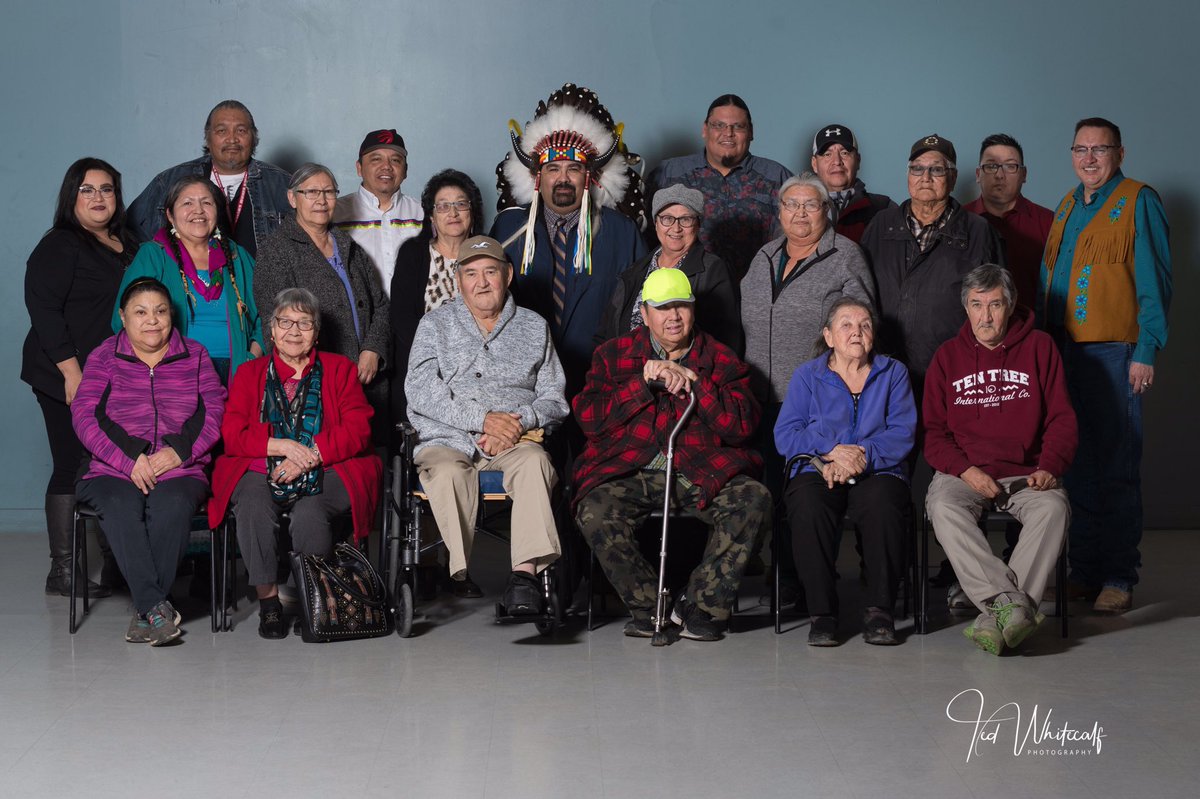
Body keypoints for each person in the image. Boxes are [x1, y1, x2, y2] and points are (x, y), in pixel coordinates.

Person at [573, 269, 769, 640]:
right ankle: (651, 608)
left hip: (699, 469)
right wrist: (641, 384)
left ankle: (699, 607)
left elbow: (741, 427)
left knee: (753, 500)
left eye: (681, 306)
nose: (673, 316)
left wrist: (695, 380)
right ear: (645, 314)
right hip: (631, 467)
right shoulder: (613, 355)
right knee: (594, 510)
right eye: (662, 308)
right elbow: (589, 420)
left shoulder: (721, 358)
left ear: (693, 311)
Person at [1038, 117, 1172, 614]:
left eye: (1100, 149)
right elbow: (1048, 283)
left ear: (1120, 153)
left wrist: (1146, 349)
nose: (1089, 158)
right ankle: (1084, 571)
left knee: (1117, 466)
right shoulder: (1068, 205)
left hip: (1116, 352)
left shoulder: (1140, 200)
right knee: (1077, 468)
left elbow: (1156, 280)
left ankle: (1118, 575)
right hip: (1064, 352)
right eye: (1081, 149)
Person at [405, 236, 568, 611]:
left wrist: (515, 423)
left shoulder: (534, 326)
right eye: (471, 273)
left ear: (507, 275)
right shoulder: (434, 325)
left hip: (514, 439)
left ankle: (524, 578)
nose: (481, 282)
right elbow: (420, 391)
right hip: (448, 439)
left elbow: (554, 398)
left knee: (536, 464)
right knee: (446, 472)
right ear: (458, 279)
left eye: (490, 272)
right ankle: (457, 571)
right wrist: (481, 422)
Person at [208, 288, 382, 639]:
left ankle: (314, 600)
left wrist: (311, 456)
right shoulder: (249, 373)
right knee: (254, 504)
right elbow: (232, 432)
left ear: (316, 333)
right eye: (285, 322)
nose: (294, 331)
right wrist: (280, 445)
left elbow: (357, 429)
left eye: (304, 323)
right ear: (271, 331)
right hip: (262, 464)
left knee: (309, 511)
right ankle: (269, 604)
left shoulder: (339, 370)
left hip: (330, 465)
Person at [925, 265, 1077, 655]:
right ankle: (1011, 608)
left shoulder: (1040, 347)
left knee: (1055, 508)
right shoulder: (946, 357)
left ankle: (997, 617)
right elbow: (934, 434)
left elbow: (1061, 419)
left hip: (1027, 474)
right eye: (977, 305)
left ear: (1009, 306)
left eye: (994, 304)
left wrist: (1049, 466)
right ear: (966, 308)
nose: (986, 316)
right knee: (941, 505)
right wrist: (965, 470)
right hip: (965, 472)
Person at [73, 277, 226, 646]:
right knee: (120, 503)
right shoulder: (103, 356)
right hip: (111, 469)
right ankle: (155, 606)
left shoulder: (197, 355)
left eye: (160, 311)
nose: (152, 320)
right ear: (123, 318)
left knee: (172, 504)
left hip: (180, 467)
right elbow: (84, 415)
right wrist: (130, 460)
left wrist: (178, 453)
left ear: (171, 315)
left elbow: (215, 411)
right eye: (140, 312)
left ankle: (147, 612)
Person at [23, 157, 140, 598]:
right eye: (87, 190)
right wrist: (72, 373)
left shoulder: (127, 242)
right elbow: (45, 312)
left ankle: (116, 567)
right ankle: (63, 572)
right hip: (63, 373)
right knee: (72, 464)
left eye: (106, 189)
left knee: (114, 464)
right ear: (71, 196)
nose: (97, 198)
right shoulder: (60, 245)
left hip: (115, 376)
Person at [775, 297, 916, 646]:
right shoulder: (808, 375)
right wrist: (830, 451)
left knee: (883, 504)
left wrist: (862, 456)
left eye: (865, 325)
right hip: (819, 466)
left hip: (877, 467)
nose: (857, 332)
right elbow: (786, 433)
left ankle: (879, 611)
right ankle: (822, 614)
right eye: (847, 325)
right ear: (829, 336)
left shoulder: (893, 373)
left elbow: (902, 432)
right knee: (808, 505)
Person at [491, 87, 647, 400]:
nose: (563, 178)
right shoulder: (508, 228)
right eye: (553, 168)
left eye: (573, 168)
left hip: (601, 382)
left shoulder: (622, 232)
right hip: (522, 383)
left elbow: (640, 310)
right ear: (538, 177)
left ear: (588, 177)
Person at [254, 163, 391, 443]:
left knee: (376, 467)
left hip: (368, 378)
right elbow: (279, 327)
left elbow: (380, 305)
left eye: (329, 192)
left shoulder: (347, 244)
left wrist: (373, 349)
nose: (321, 200)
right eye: (312, 192)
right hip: (317, 385)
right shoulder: (276, 250)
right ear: (293, 198)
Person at [861, 134, 1004, 399]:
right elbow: (859, 294)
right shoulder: (882, 225)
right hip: (883, 373)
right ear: (908, 175)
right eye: (917, 168)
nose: (925, 177)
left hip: (953, 372)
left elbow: (996, 308)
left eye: (936, 169)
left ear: (952, 177)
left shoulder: (978, 231)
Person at [113, 176, 264, 384]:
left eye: (207, 202)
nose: (199, 210)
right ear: (170, 215)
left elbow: (268, 314)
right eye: (187, 203)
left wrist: (252, 356)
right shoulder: (153, 256)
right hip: (174, 375)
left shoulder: (236, 256)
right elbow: (121, 320)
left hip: (236, 372)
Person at [647, 94, 792, 280]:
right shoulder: (669, 173)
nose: (728, 133)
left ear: (751, 132)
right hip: (684, 292)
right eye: (719, 125)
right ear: (705, 129)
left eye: (738, 126)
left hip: (755, 294)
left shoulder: (777, 178)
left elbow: (799, 240)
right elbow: (646, 237)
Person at [128, 100, 291, 257]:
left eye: (241, 130)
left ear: (253, 137)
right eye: (222, 131)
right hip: (191, 284)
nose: (232, 139)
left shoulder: (282, 185)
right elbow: (126, 233)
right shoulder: (169, 182)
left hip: (264, 284)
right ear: (208, 138)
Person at [597, 184, 742, 354]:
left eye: (686, 219)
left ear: (698, 224)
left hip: (681, 375)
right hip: (625, 371)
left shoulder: (713, 270)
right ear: (656, 223)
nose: (676, 228)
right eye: (667, 218)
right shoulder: (636, 269)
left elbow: (726, 342)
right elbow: (605, 333)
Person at [390, 169, 485, 424]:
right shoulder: (413, 254)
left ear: (472, 211)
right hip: (426, 369)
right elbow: (402, 319)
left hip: (480, 372)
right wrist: (441, 361)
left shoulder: (490, 256)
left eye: (460, 204)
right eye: (443, 206)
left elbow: (505, 319)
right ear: (431, 215)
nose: (452, 213)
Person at [964, 133, 1054, 306]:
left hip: (1033, 328)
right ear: (978, 174)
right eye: (991, 166)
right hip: (971, 330)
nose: (999, 175)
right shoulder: (959, 221)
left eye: (1010, 166)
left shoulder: (1049, 223)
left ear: (1024, 174)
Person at [333, 129, 423, 297]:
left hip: (415, 318)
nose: (386, 167)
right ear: (359, 168)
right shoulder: (335, 214)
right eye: (376, 159)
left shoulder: (423, 214)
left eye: (395, 160)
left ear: (405, 170)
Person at [808, 123, 895, 243]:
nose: (837, 161)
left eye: (844, 153)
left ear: (858, 161)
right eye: (827, 154)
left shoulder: (883, 208)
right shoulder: (798, 210)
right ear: (814, 164)